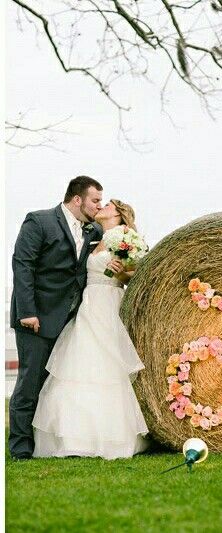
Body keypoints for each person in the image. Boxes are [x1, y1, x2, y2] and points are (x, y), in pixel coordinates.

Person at [32, 199, 149, 459]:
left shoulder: (127, 238)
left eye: (107, 205)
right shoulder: (94, 238)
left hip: (108, 304)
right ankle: (74, 437)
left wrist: (120, 274)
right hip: (88, 305)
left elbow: (135, 276)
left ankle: (111, 439)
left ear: (118, 214)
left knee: (107, 365)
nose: (101, 207)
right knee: (79, 362)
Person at [9, 176, 104, 459]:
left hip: (70, 320)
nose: (99, 206)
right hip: (36, 318)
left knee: (54, 386)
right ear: (77, 199)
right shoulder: (38, 222)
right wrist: (27, 312)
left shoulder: (93, 229)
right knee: (29, 384)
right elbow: (23, 265)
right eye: (95, 200)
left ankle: (43, 443)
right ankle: (20, 449)